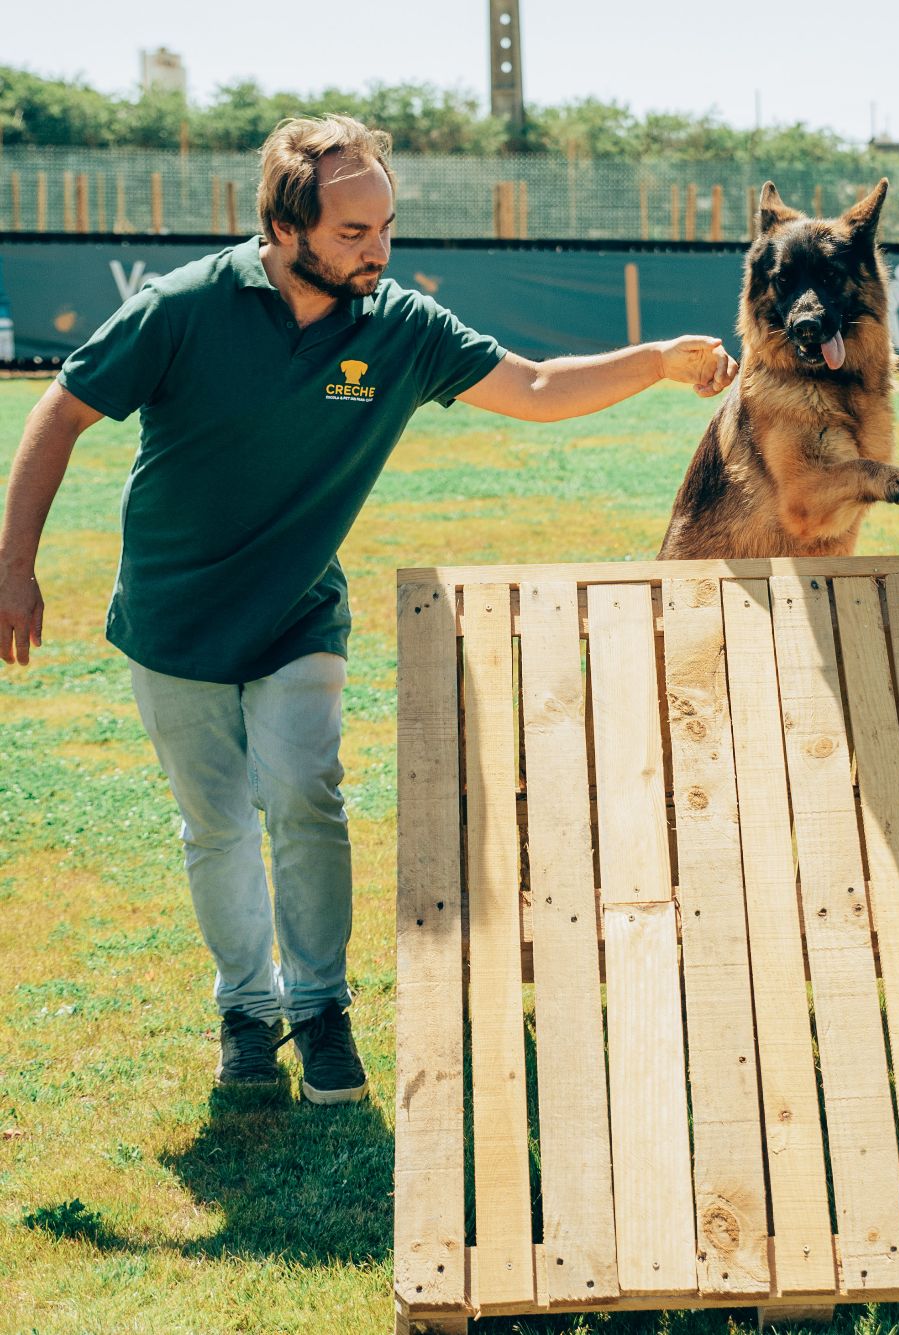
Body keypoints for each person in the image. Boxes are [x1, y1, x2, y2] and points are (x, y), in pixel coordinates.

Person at [0, 114, 738, 1105]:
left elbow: (532, 384)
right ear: (283, 224)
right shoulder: (179, 309)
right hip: (172, 621)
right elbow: (62, 409)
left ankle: (319, 1005)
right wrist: (14, 565)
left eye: (386, 227)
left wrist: (652, 363)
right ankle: (244, 1011)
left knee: (306, 792)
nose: (378, 251)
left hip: (298, 615)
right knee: (213, 825)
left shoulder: (398, 328)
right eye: (354, 233)